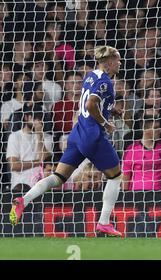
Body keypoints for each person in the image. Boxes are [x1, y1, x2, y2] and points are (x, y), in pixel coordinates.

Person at [10, 46, 125, 237]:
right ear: (109, 61)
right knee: (116, 177)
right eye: (118, 59)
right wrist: (106, 123)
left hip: (78, 133)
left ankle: (24, 199)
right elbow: (90, 104)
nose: (120, 63)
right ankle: (104, 222)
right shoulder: (105, 81)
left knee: (58, 177)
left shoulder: (91, 75)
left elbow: (90, 102)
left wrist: (111, 111)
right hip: (92, 135)